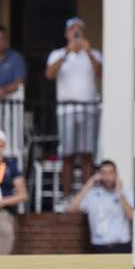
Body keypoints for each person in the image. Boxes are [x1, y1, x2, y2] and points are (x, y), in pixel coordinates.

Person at [45, 17, 102, 205]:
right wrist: (67, 53)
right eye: (72, 31)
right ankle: (67, 195)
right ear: (66, 34)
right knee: (68, 154)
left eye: (79, 31)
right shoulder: (57, 54)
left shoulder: (94, 53)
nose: (75, 34)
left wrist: (88, 52)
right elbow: (50, 74)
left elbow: (101, 73)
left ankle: (87, 196)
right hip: (67, 110)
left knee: (87, 154)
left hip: (88, 109)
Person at [67, 159, 134, 253]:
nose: (107, 177)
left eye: (110, 173)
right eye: (104, 173)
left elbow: (131, 216)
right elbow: (71, 208)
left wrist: (120, 194)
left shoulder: (126, 193)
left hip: (121, 246)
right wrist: (89, 184)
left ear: (116, 174)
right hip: (99, 247)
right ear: (98, 175)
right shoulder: (92, 194)